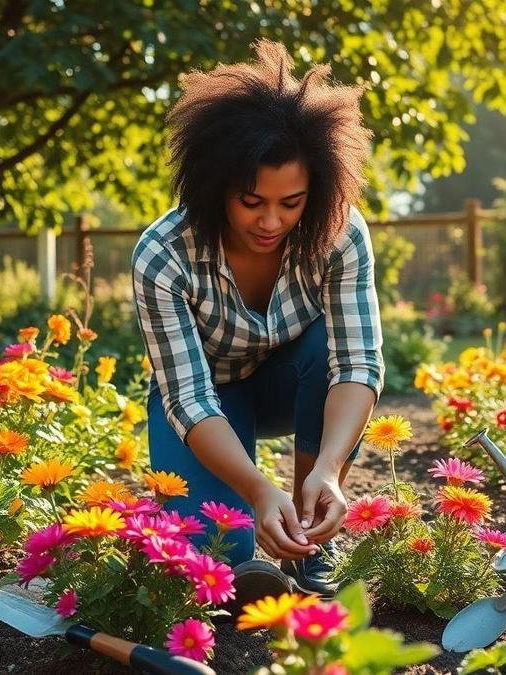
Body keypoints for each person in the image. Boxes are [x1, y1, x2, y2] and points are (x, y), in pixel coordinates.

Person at [131, 40, 383, 608]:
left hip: (292, 381)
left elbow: (357, 363)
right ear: (216, 184)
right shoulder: (163, 255)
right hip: (206, 402)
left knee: (325, 345)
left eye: (291, 203)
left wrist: (331, 470)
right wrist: (256, 490)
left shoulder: (341, 235)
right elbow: (190, 399)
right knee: (221, 558)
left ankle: (311, 533)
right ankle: (265, 516)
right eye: (251, 202)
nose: (271, 221)